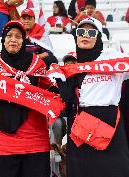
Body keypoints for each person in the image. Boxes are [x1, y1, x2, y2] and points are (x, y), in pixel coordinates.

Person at [53, 17, 129, 177]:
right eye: (81, 31)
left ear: (98, 37)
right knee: (82, 171)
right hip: (80, 122)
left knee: (114, 171)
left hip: (109, 121)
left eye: (91, 32)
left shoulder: (112, 56)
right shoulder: (71, 66)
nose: (85, 35)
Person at [0, 21, 51, 177]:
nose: (13, 40)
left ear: (24, 40)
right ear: (3, 40)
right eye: (9, 36)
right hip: (4, 144)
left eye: (18, 36)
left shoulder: (38, 65)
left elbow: (50, 93)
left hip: (35, 142)